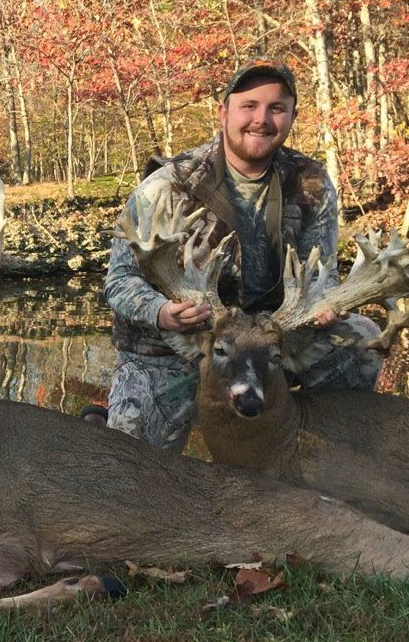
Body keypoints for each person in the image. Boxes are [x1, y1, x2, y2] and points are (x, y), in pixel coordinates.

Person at [102, 59, 382, 451]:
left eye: (276, 108)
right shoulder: (169, 184)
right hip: (178, 348)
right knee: (131, 460)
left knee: (361, 339)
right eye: (249, 106)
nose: (261, 119)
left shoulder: (311, 183)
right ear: (224, 113)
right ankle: (108, 417)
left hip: (269, 343)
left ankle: (319, 452)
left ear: (292, 117)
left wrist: (321, 302)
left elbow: (321, 272)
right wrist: (161, 312)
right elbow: (119, 280)